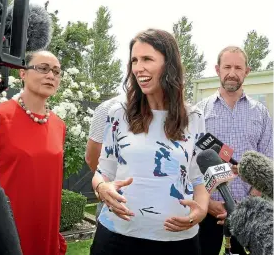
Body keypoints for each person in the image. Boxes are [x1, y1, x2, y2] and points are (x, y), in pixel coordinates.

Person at [90, 29, 209, 255]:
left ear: (169, 65)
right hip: (117, 238)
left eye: (147, 59)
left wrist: (201, 210)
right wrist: (102, 187)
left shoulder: (194, 118)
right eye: (134, 60)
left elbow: (197, 177)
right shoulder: (118, 114)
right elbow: (101, 171)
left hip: (178, 242)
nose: (138, 68)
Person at [0, 50, 67, 255]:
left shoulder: (59, 125)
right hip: (1, 228)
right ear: (23, 73)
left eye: (56, 72)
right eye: (43, 68)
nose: (51, 75)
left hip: (42, 225)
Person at [196, 46, 273, 255]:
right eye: (227, 66)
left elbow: (268, 159)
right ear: (217, 69)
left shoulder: (261, 114)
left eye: (238, 67)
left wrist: (246, 204)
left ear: (247, 71)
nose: (232, 72)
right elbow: (190, 161)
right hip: (207, 209)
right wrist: (209, 203)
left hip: (248, 211)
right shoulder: (199, 112)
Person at [86, 94, 125, 220]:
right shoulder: (109, 108)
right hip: (116, 204)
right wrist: (103, 184)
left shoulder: (183, 112)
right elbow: (92, 158)